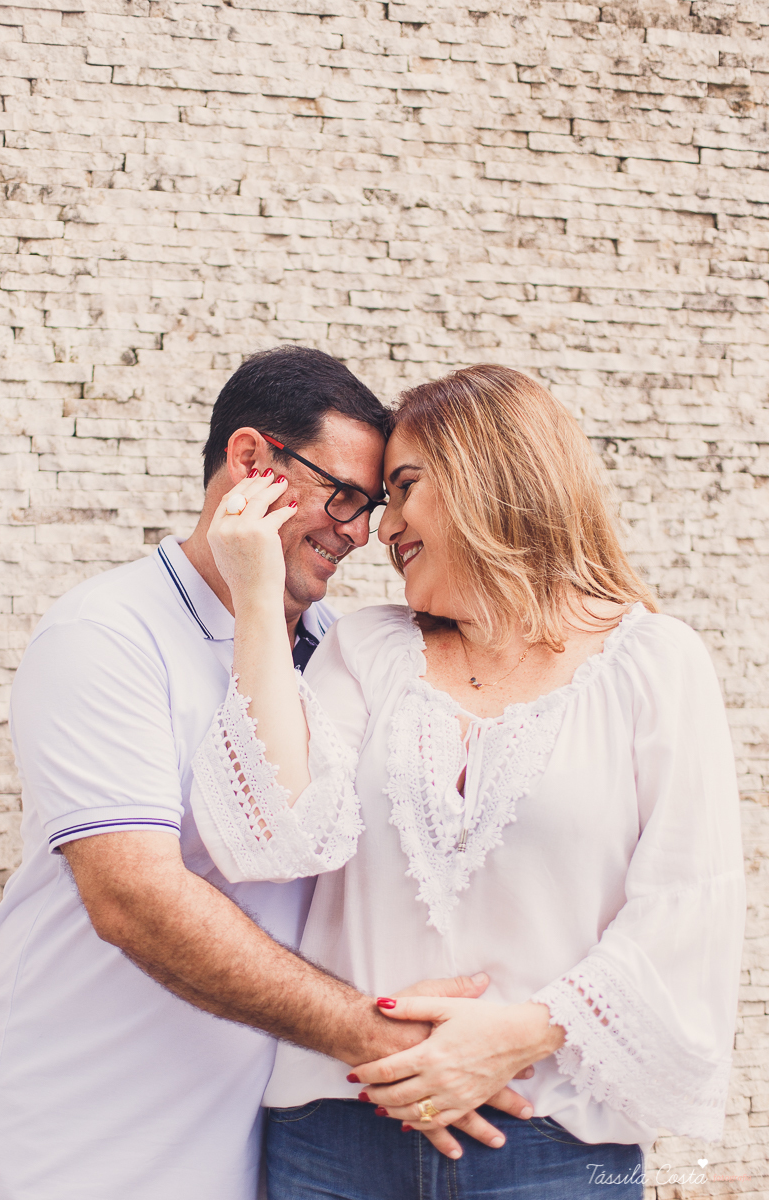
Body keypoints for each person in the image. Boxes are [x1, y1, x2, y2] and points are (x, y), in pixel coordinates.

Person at [0, 347, 527, 1200]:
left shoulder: (348, 652)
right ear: (249, 463)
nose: (358, 530)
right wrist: (383, 1040)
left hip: (256, 1149)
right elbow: (135, 901)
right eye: (340, 495)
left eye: (372, 506)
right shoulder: (107, 635)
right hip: (77, 1136)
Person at [191, 364, 746, 1199]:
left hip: (548, 1142)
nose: (384, 530)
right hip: (332, 1133)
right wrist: (257, 597)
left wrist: (518, 1033)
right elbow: (270, 835)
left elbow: (686, 911)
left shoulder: (655, 664)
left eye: (405, 489)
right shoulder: (367, 649)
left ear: (494, 473)